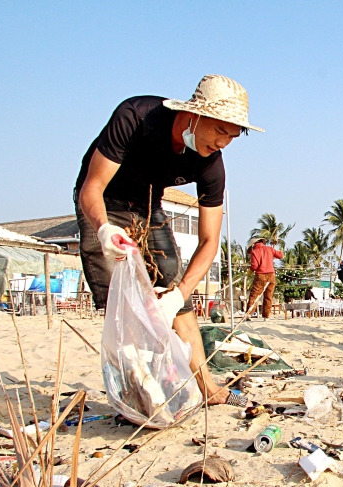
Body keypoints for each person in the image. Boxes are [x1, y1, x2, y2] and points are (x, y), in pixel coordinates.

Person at [75, 74, 263, 407]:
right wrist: (103, 229)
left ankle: (209, 389)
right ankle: (140, 392)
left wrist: (179, 294)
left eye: (232, 136)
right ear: (194, 114)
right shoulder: (136, 117)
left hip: (149, 208)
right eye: (220, 130)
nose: (223, 143)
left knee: (176, 290)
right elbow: (92, 187)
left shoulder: (210, 164)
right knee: (119, 301)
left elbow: (209, 241)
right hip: (106, 202)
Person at [246, 237, 284, 321]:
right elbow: (281, 255)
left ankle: (249, 314)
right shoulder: (269, 249)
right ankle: (266, 316)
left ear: (253, 244)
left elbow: (254, 266)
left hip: (260, 275)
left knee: (254, 295)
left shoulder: (254, 252)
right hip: (271, 275)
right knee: (268, 296)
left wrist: (249, 272)